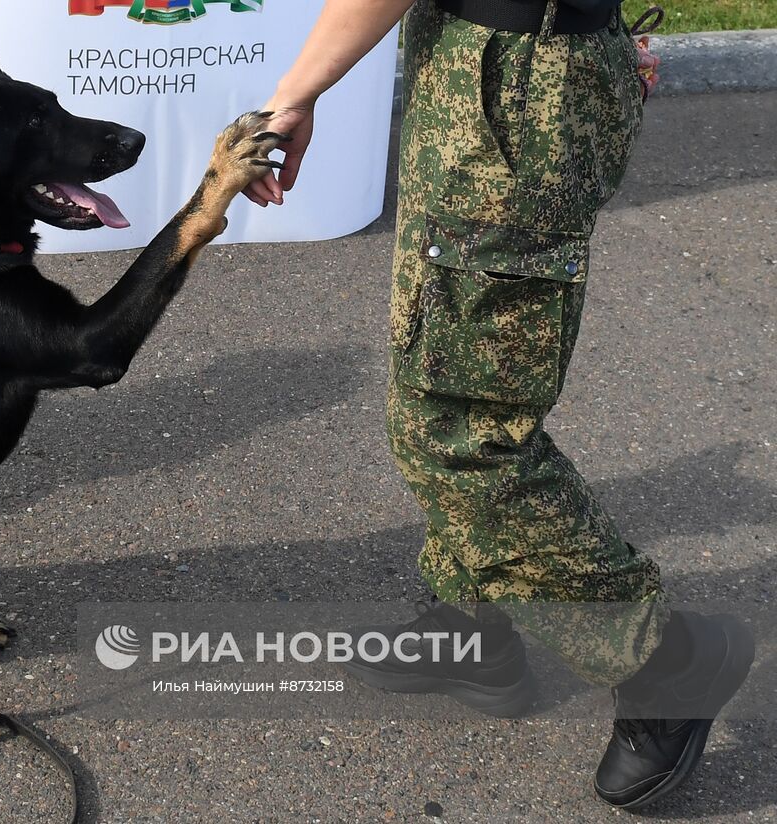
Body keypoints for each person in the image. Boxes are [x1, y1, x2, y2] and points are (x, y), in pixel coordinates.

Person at [244, 0, 753, 810]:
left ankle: (665, 659)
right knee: (442, 371)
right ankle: (472, 627)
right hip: (489, 65)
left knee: (459, 431)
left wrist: (296, 92)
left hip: (515, 82)